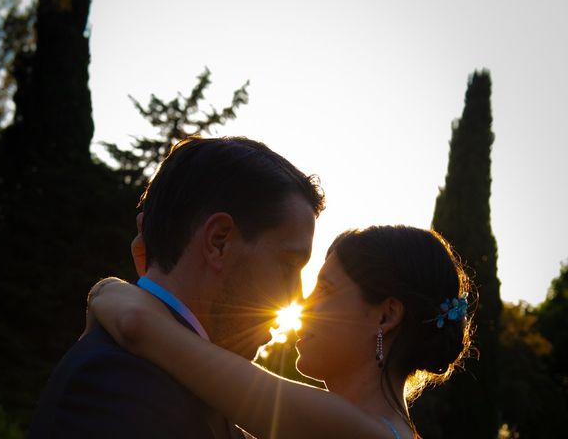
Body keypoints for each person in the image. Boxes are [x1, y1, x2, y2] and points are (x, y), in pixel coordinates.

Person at [28, 137, 326, 438]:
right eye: (289, 265)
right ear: (218, 241)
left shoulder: (185, 383)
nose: (297, 296)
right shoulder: (119, 382)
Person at [87, 225, 474, 439]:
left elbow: (138, 327)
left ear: (386, 316)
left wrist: (105, 290)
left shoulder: (355, 431)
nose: (304, 306)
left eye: (325, 289)